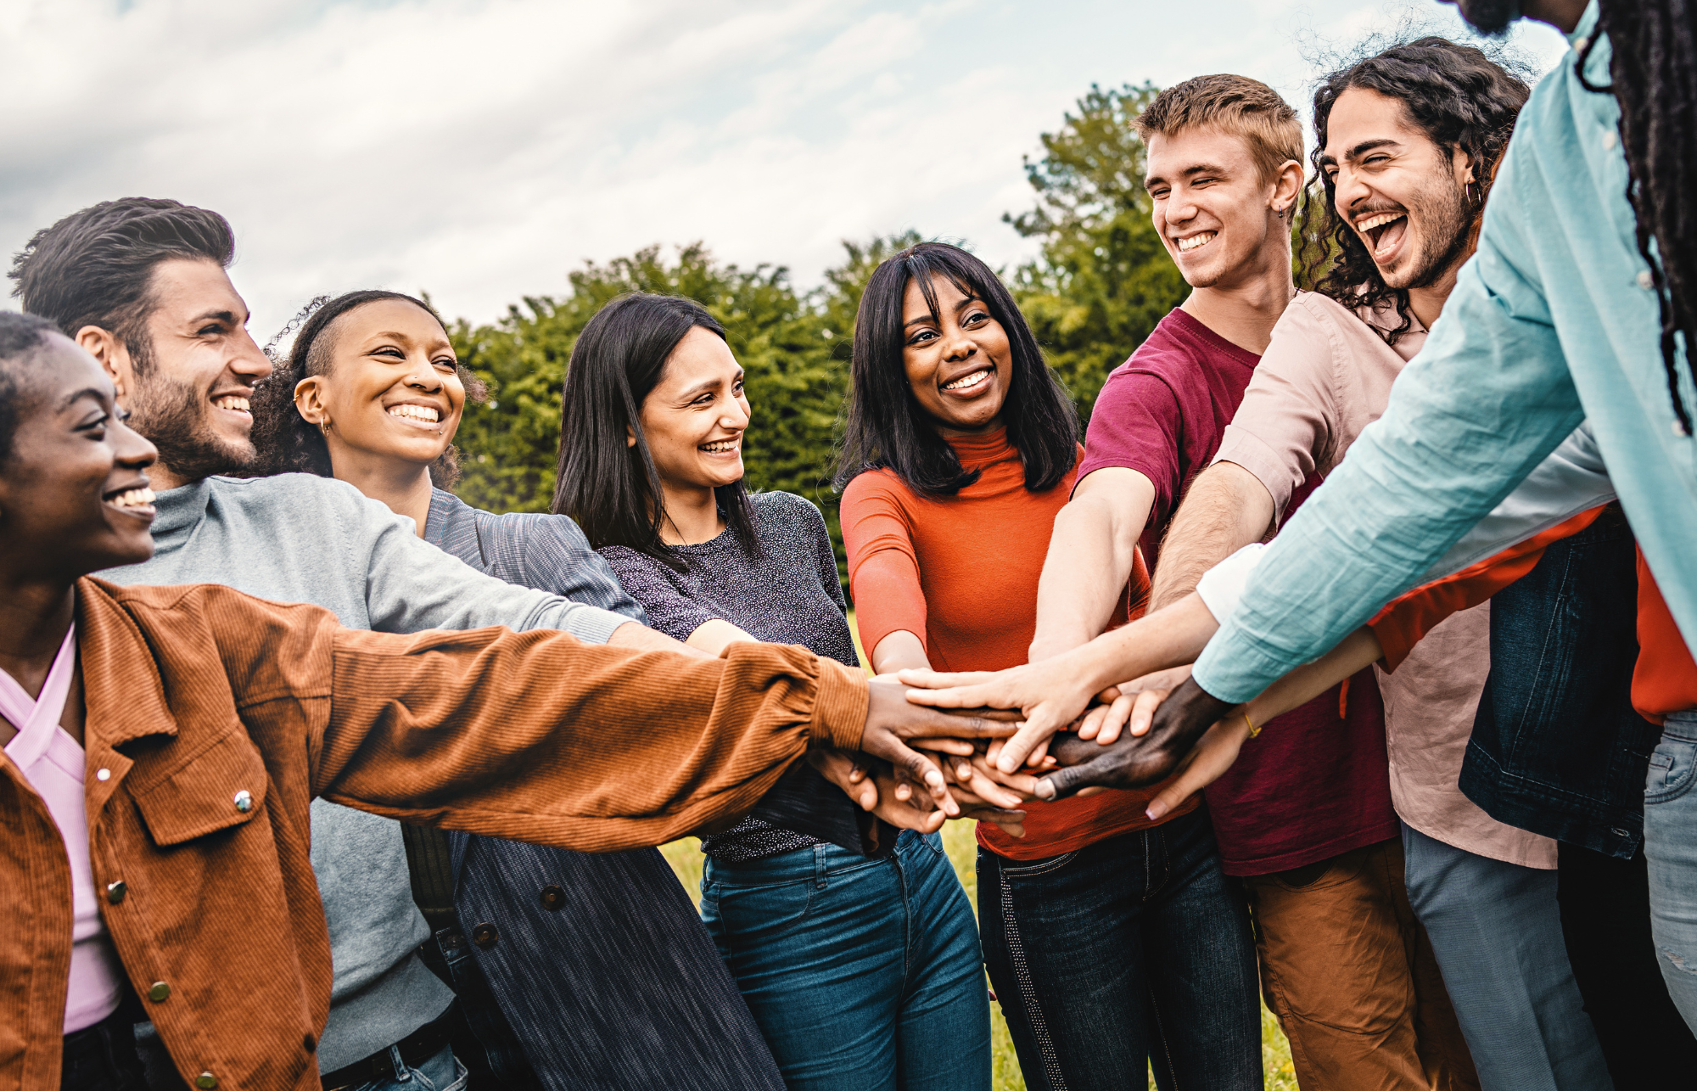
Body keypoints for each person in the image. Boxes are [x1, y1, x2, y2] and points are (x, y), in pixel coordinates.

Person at [925, 0, 1697, 1042]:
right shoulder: (1563, 158)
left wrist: (1205, 678)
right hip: (1480, 796)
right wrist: (1129, 669)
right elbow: (1403, 499)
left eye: (1371, 156)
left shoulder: (1563, 161)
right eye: (1157, 189)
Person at [9, 198, 992, 1089]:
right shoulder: (87, 612)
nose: (255, 359)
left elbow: (522, 645)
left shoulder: (297, 537)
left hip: (428, 1048)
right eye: (212, 329)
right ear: (100, 357)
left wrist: (827, 705)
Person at [1149, 38, 1611, 1090]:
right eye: (1333, 166)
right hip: (1459, 804)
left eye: (1372, 157)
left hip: (1623, 774)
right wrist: (1164, 661)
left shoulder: (1573, 307)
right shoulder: (1324, 328)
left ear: (1473, 154)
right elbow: (1246, 484)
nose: (1345, 190)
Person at [247, 289, 788, 1091]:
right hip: (413, 1025)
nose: (429, 377)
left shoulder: (530, 547)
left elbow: (660, 692)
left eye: (445, 361)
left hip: (605, 974)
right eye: (391, 354)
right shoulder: (267, 596)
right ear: (311, 398)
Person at [1013, 75, 1435, 1087]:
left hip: (1446, 788)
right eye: (1156, 187)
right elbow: (1101, 513)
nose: (1172, 210)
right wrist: (1056, 667)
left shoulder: (1372, 320)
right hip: (1299, 822)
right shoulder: (1154, 379)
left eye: (1201, 177)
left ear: (1287, 183)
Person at [837, 242, 1259, 1091]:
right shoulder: (881, 493)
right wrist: (907, 685)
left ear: (1009, 334)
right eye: (922, 335)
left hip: (1179, 836)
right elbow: (883, 583)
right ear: (892, 369)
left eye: (975, 318)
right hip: (1048, 869)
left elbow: (1148, 612)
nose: (956, 345)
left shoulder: (1081, 466)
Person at [553, 291, 1000, 1091]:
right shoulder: (611, 574)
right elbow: (750, 670)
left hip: (921, 875)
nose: (735, 415)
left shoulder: (790, 523)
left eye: (736, 387)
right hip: (792, 913)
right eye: (701, 399)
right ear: (625, 423)